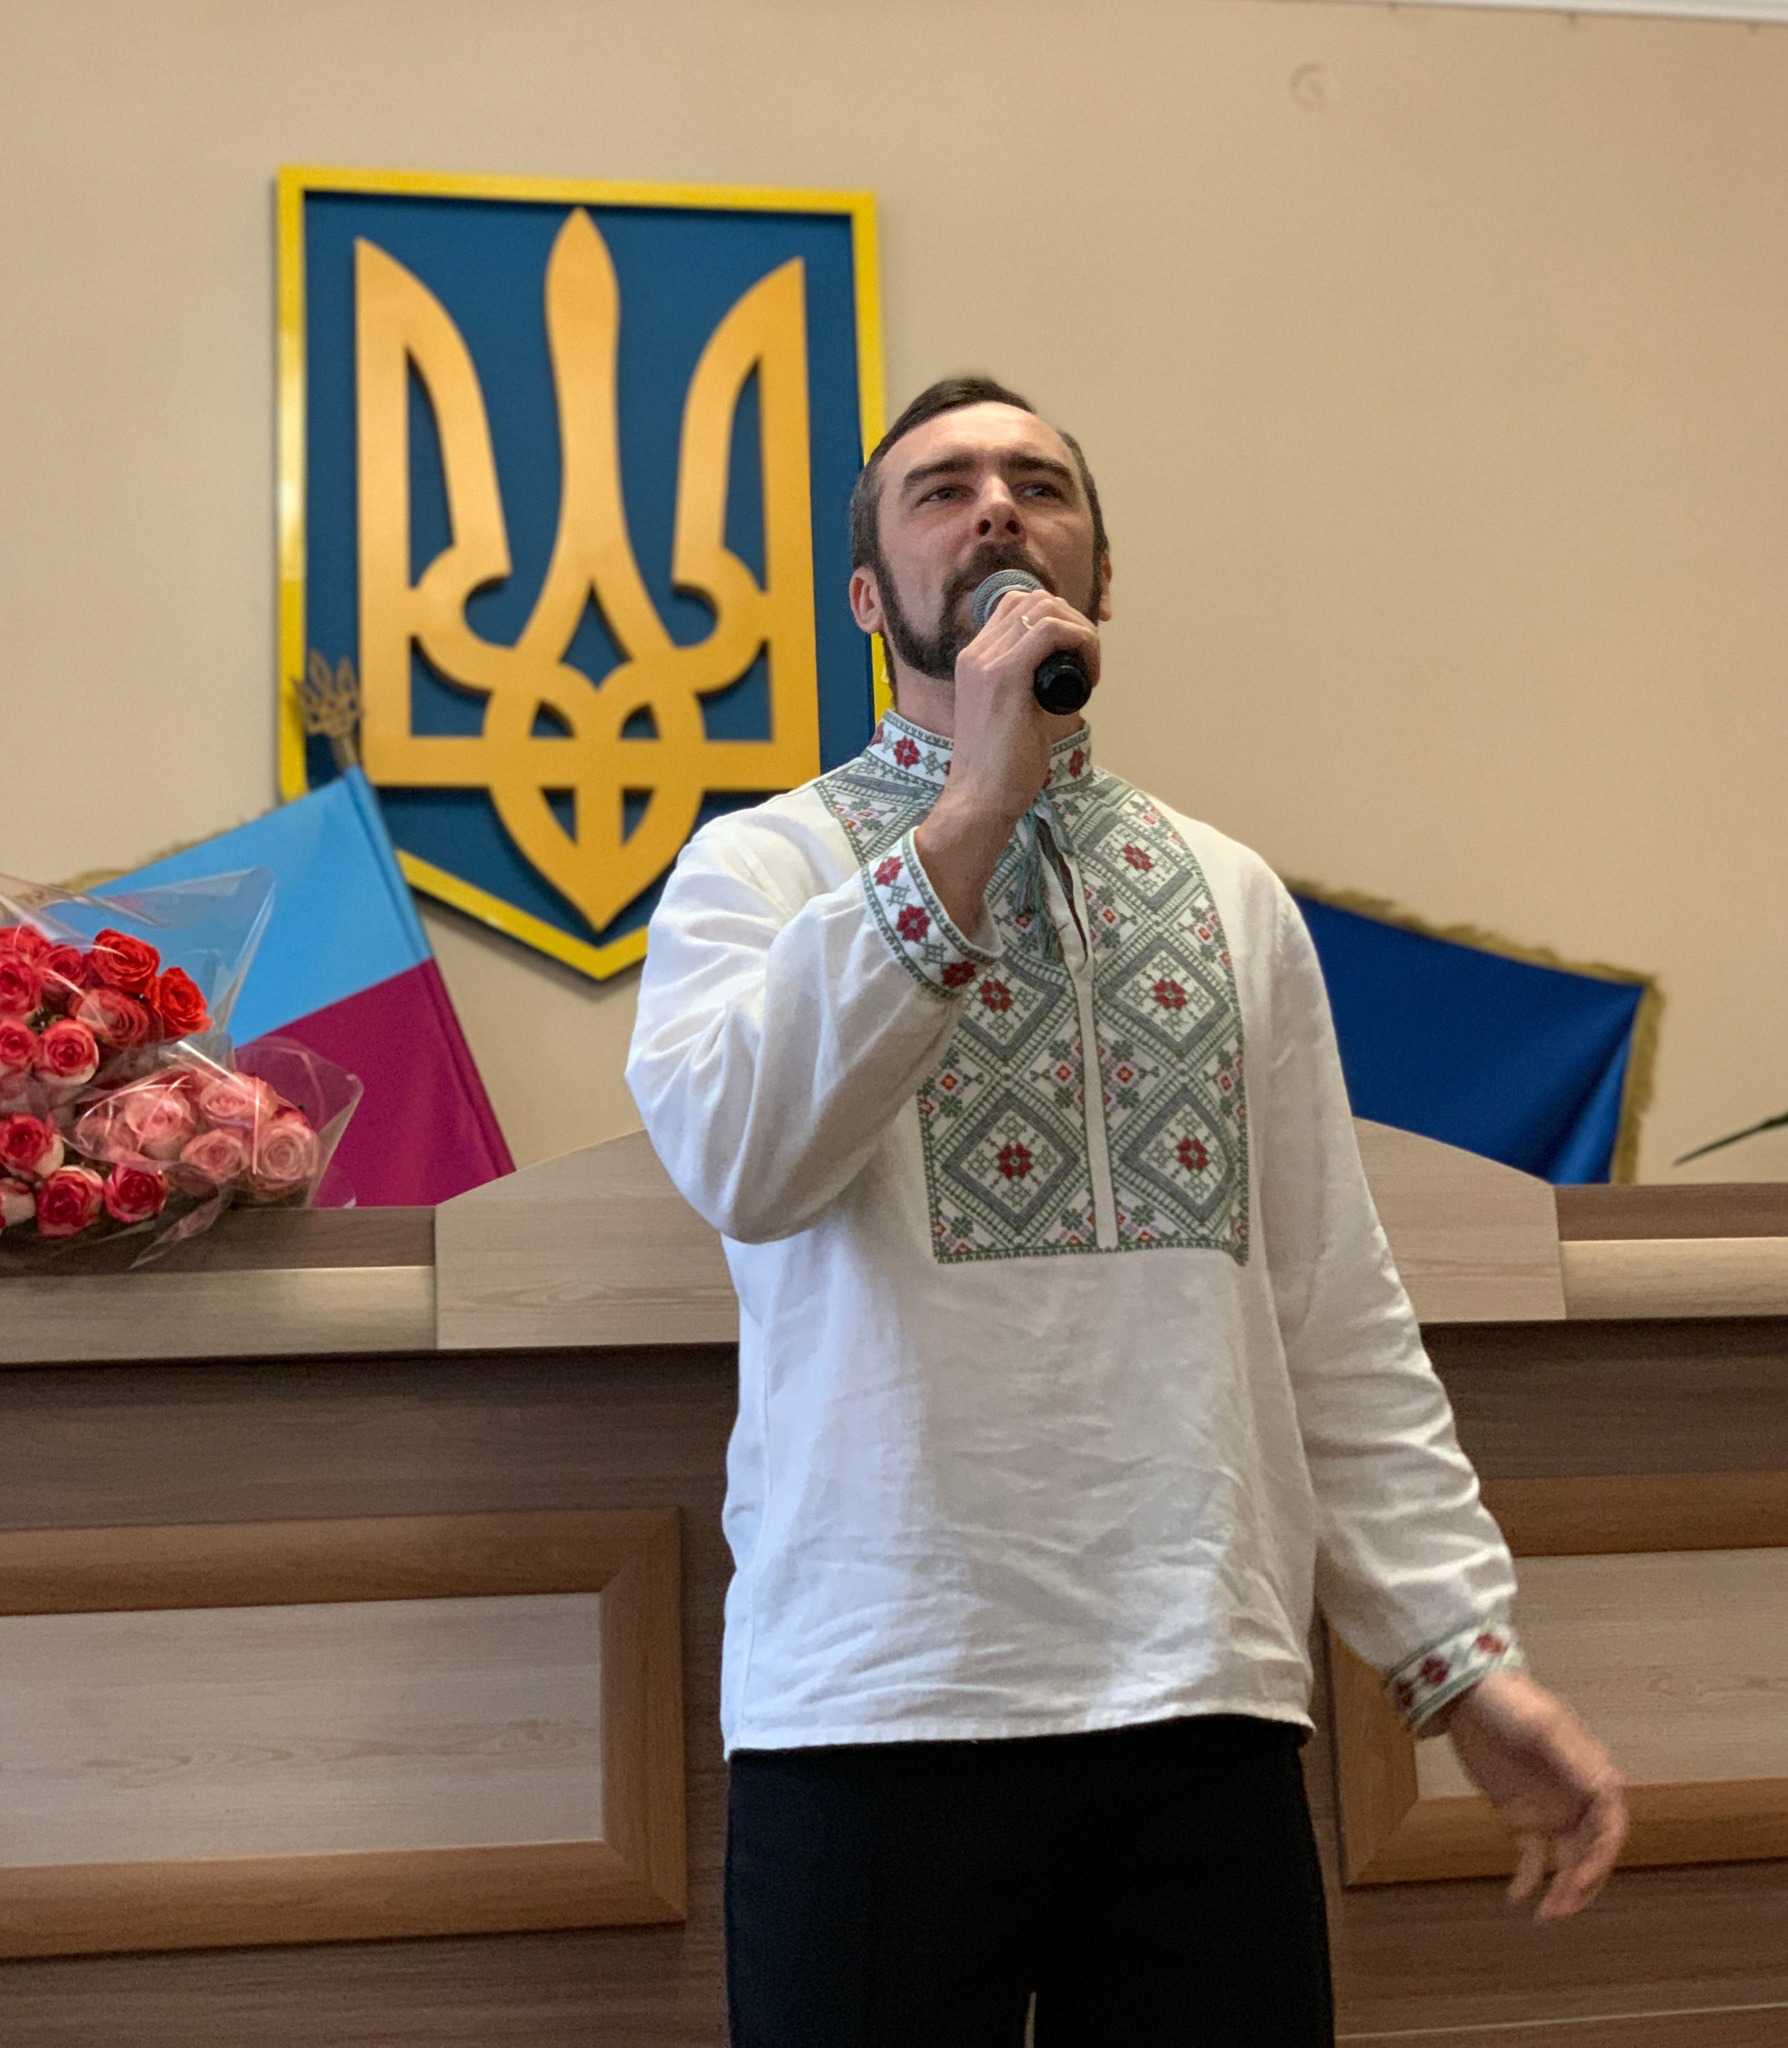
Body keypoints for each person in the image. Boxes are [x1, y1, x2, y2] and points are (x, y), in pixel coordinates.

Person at [625, 376, 1628, 2046]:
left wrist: (1461, 1661)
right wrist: (971, 816)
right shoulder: (762, 872)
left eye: (1039, 484)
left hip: (1200, 1700)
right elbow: (746, 1162)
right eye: (942, 488)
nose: (997, 508)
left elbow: (1329, 1306)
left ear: (1101, 575)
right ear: (868, 597)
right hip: (876, 1701)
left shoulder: (1231, 893)